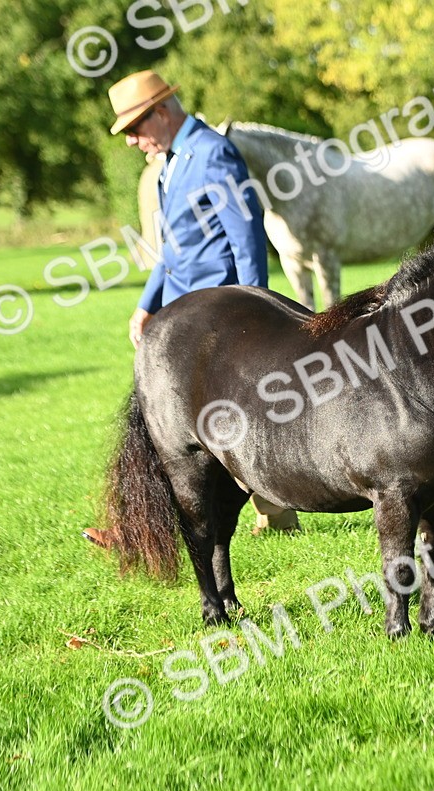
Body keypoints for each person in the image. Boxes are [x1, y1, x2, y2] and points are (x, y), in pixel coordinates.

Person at [85, 70, 299, 542]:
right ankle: (276, 513)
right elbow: (176, 248)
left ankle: (138, 528)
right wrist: (146, 304)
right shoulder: (173, 161)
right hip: (180, 318)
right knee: (198, 423)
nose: (132, 142)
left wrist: (257, 324)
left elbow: (246, 243)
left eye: (135, 129)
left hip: (217, 321)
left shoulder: (212, 155)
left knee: (165, 423)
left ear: (162, 112)